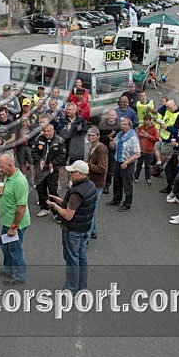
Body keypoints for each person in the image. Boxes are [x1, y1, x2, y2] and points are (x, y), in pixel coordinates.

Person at [47, 160, 97, 292]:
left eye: (73, 172)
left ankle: (71, 288)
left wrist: (56, 207)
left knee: (72, 260)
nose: (70, 174)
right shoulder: (90, 185)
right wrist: (60, 200)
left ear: (80, 174)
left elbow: (68, 215)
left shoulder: (76, 192)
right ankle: (82, 285)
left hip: (73, 230)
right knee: (81, 256)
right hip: (84, 228)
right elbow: (78, 206)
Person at [0, 153, 30, 286]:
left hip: (16, 224)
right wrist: (1, 193)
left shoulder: (19, 181)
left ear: (11, 165)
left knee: (15, 249)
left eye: (2, 167)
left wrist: (13, 228)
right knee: (4, 244)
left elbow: (21, 208)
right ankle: (8, 268)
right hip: (7, 221)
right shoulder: (8, 177)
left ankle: (19, 276)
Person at [33, 124, 67, 217]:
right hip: (40, 170)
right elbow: (34, 152)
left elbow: (62, 155)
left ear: (53, 131)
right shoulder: (39, 139)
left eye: (48, 131)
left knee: (53, 190)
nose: (46, 133)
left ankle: (56, 212)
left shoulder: (59, 140)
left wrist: (53, 163)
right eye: (44, 131)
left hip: (52, 171)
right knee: (40, 189)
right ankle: (44, 208)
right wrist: (40, 160)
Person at [110, 118, 141, 211]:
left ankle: (127, 204)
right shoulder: (119, 135)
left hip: (127, 163)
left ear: (129, 126)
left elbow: (137, 153)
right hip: (118, 161)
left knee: (127, 184)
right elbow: (113, 146)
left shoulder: (133, 138)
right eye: (121, 124)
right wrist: (111, 140)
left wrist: (127, 162)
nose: (122, 126)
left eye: (124, 124)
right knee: (116, 182)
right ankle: (116, 200)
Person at [85, 127, 108, 240]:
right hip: (92, 181)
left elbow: (102, 168)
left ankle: (87, 237)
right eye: (89, 135)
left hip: (97, 183)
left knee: (90, 210)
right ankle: (93, 231)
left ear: (98, 136)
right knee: (92, 209)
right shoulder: (93, 147)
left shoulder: (101, 149)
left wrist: (87, 165)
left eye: (93, 135)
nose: (90, 137)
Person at [134, 115, 158, 186]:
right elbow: (137, 136)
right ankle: (136, 176)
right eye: (145, 120)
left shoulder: (154, 129)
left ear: (150, 121)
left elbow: (156, 139)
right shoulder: (141, 127)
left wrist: (148, 136)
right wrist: (140, 135)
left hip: (149, 150)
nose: (146, 122)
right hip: (141, 150)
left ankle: (148, 178)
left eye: (147, 120)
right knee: (139, 164)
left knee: (147, 165)